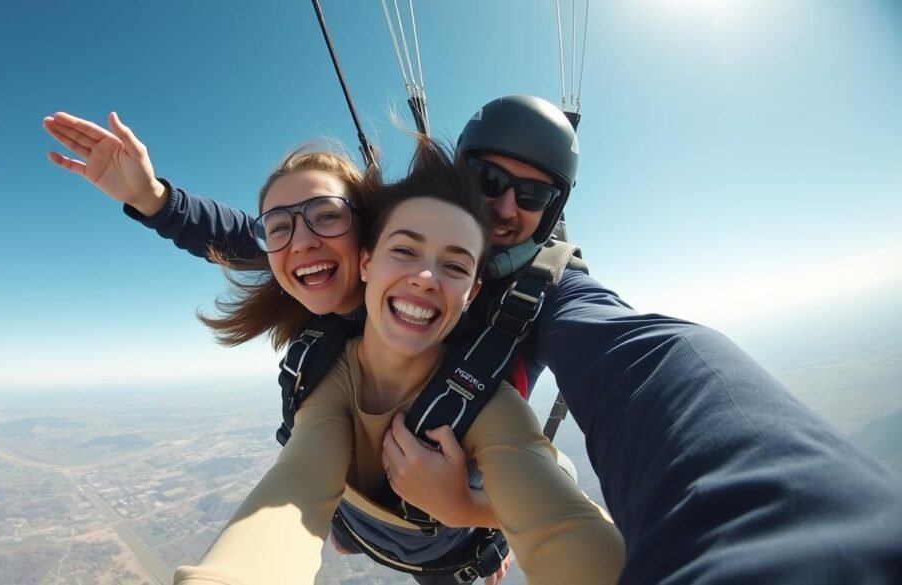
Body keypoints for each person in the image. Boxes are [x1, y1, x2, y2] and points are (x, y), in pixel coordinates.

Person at [44, 96, 902, 584]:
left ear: (550, 217)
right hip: (360, 511)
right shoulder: (359, 257)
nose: (502, 207)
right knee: (341, 518)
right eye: (488, 178)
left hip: (453, 538)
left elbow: (637, 361)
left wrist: (474, 509)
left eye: (529, 198)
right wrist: (156, 200)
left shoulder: (547, 296)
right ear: (378, 253)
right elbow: (277, 240)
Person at [173, 138, 624, 584]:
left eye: (454, 266)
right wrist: (159, 202)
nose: (425, 278)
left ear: (472, 294)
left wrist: (467, 510)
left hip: (445, 557)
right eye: (405, 251)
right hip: (359, 524)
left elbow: (564, 523)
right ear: (366, 262)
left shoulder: (486, 404)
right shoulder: (328, 376)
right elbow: (297, 484)